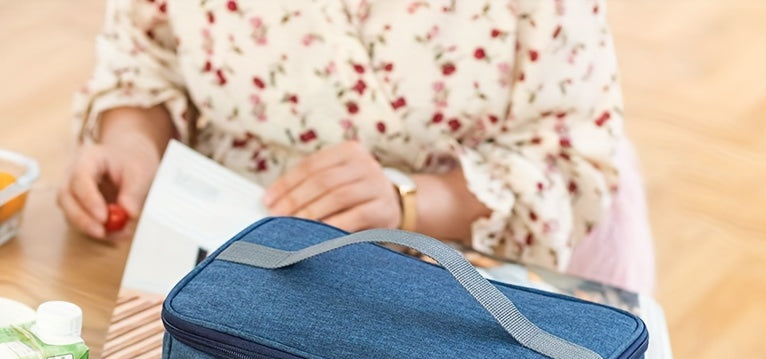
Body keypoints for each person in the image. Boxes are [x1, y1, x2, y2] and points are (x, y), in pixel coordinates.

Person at [58, 0, 655, 293]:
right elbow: (143, 52)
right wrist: (133, 143)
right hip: (227, 275)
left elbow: (569, 159)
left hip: (458, 287)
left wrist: (408, 204)